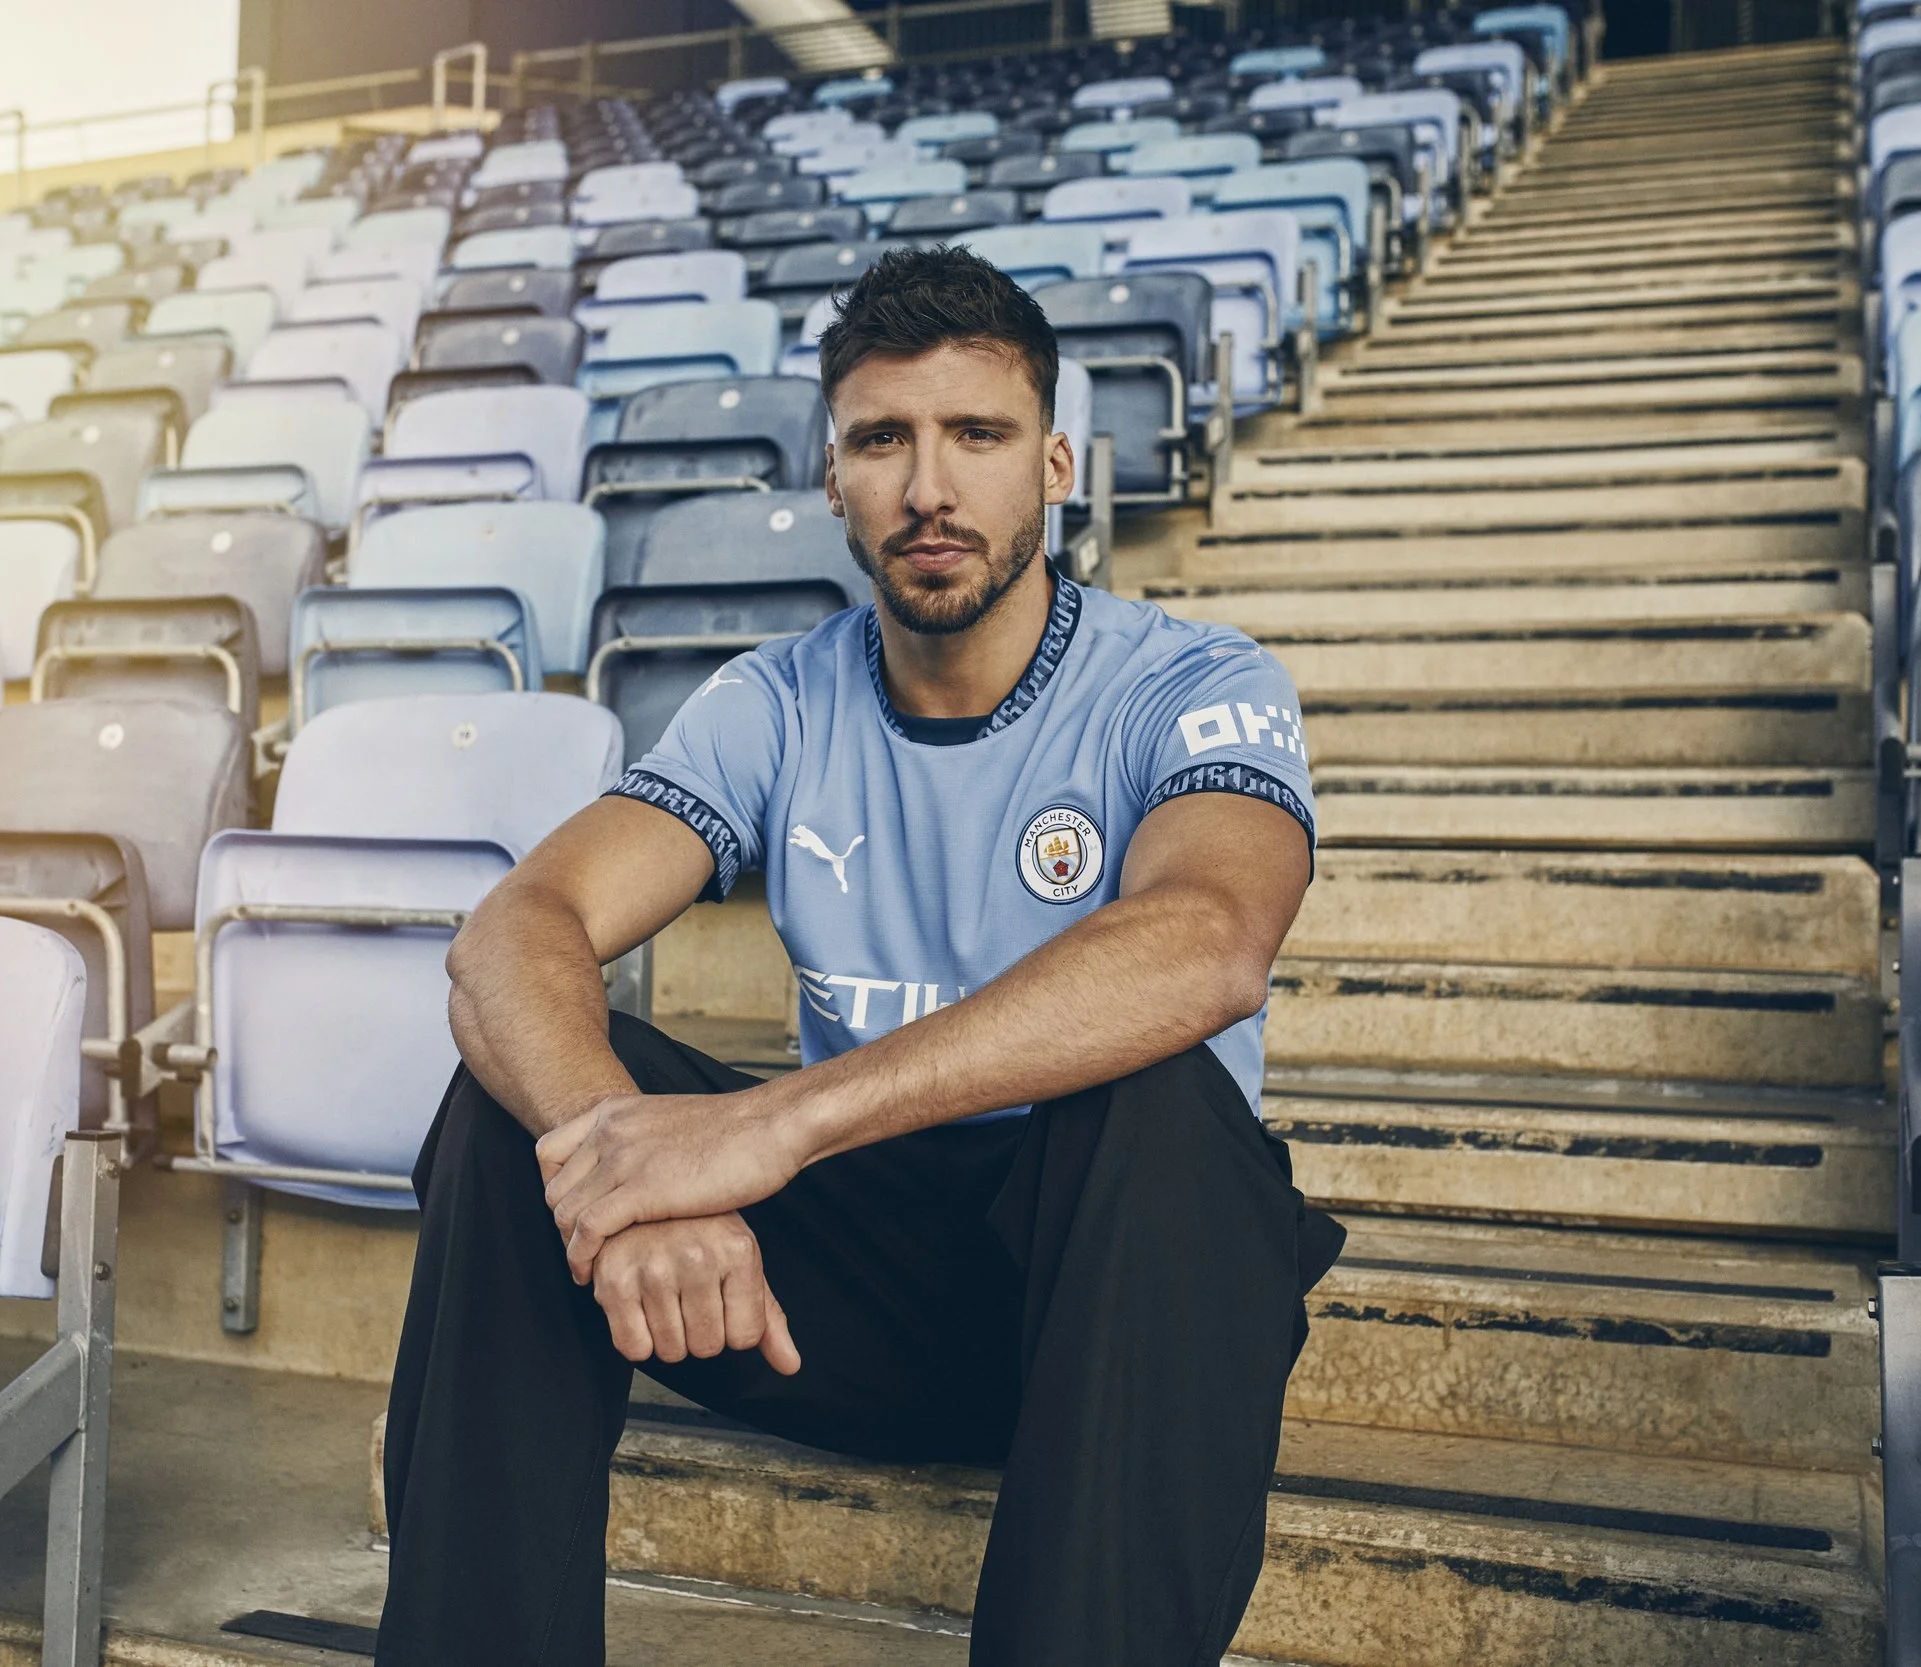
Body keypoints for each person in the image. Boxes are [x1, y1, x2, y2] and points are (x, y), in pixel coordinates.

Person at [377, 245, 1345, 1666]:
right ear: (832, 476)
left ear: (1058, 460)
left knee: (1162, 1105)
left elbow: (1208, 945)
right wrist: (627, 1158)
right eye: (883, 440)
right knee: (506, 1108)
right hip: (841, 1305)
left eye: (979, 436)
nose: (930, 488)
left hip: (1118, 1313)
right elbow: (513, 932)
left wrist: (764, 1129)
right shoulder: (776, 699)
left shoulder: (1194, 679)